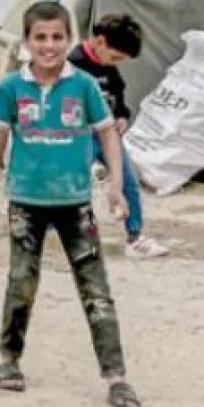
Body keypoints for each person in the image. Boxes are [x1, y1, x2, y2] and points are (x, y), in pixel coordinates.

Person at [0, 0, 140, 407]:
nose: (49, 46)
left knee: (95, 288)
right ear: (27, 42)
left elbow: (107, 136)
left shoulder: (84, 84)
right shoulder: (11, 87)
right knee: (21, 281)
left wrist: (116, 188)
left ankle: (116, 376)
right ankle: (9, 360)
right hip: (26, 203)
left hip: (75, 203)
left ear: (70, 39)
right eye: (40, 38)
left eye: (57, 37)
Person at [68, 14, 168, 259]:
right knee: (74, 184)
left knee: (128, 182)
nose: (115, 63)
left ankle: (135, 237)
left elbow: (118, 95)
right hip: (80, 137)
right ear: (100, 42)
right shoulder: (73, 65)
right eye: (115, 57)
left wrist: (122, 115)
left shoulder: (109, 67)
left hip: (109, 136)